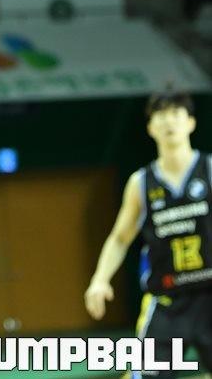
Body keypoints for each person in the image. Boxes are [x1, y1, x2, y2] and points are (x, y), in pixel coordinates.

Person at [84, 92, 212, 373]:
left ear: (191, 123)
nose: (169, 122)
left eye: (176, 114)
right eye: (161, 116)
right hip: (167, 300)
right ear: (151, 128)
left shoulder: (209, 169)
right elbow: (120, 238)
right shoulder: (141, 183)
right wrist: (100, 279)